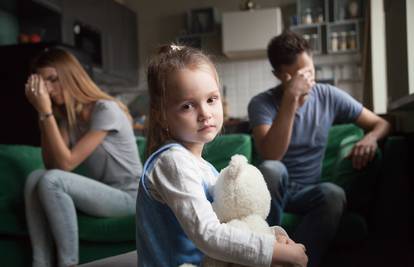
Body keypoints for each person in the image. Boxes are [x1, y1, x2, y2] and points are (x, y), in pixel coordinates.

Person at [135, 44, 308, 267]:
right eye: (187, 106)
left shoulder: (204, 167)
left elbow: (231, 225)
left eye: (211, 99)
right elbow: (208, 234)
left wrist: (274, 238)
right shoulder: (172, 163)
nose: (205, 114)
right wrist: (275, 252)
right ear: (161, 116)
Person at [248, 31, 391, 267]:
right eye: (299, 76)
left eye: (310, 73)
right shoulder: (261, 103)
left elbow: (382, 123)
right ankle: (269, 256)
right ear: (279, 76)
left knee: (334, 193)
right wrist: (290, 99)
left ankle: (298, 263)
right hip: (275, 191)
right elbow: (272, 155)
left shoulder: (328, 96)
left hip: (308, 191)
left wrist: (372, 138)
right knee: (272, 169)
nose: (307, 81)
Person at [24, 48, 143, 267]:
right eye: (43, 83)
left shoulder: (104, 109)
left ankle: (68, 263)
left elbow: (65, 164)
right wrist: (43, 115)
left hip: (130, 196)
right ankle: (40, 262)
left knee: (52, 180)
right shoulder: (70, 119)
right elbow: (51, 165)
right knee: (35, 177)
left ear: (70, 76)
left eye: (53, 79)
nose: (48, 89)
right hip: (106, 193)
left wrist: (46, 112)